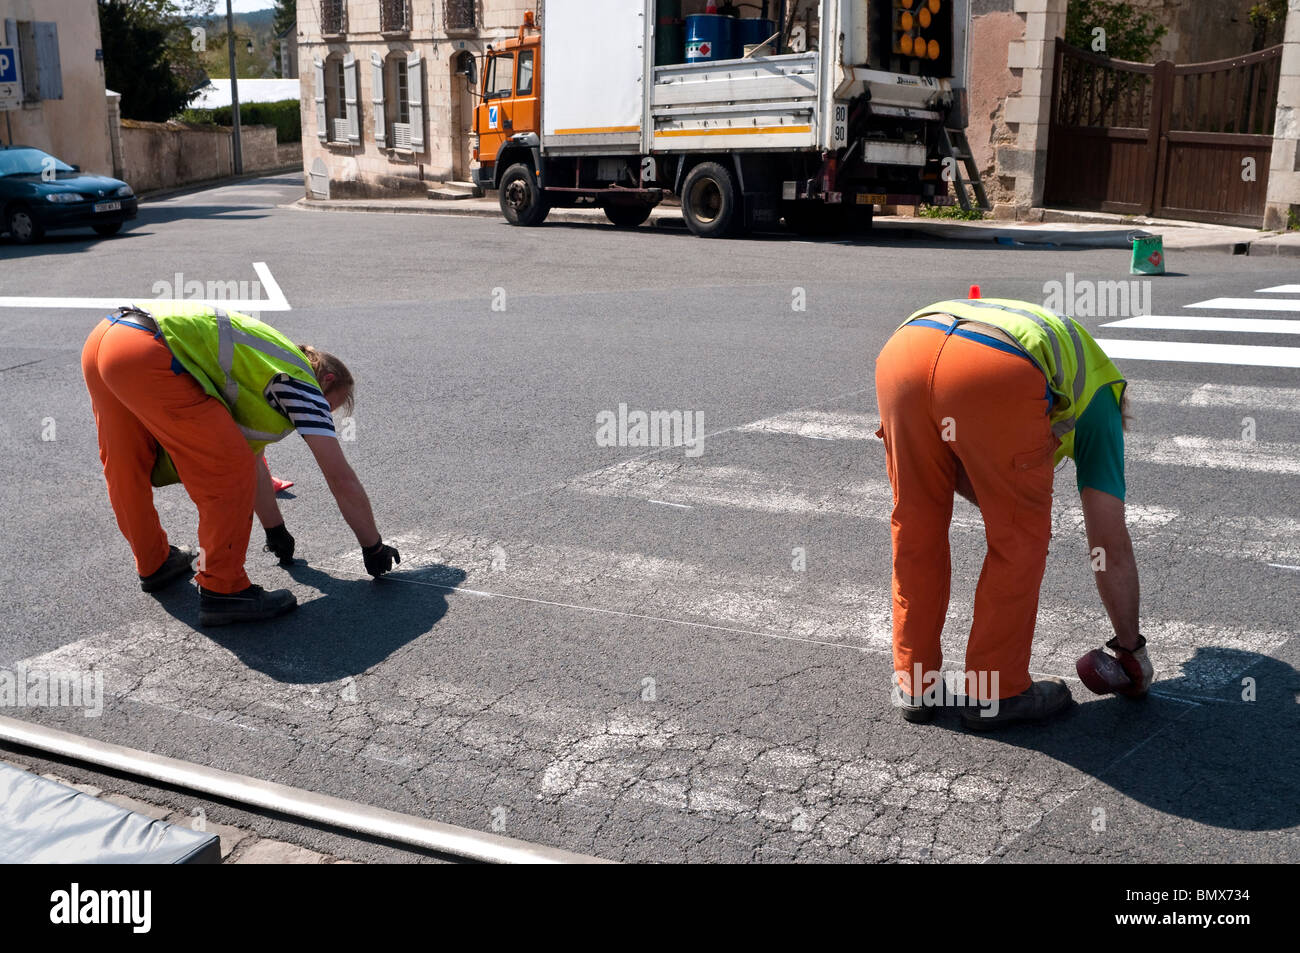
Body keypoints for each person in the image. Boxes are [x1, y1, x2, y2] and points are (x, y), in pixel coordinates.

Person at [874, 292, 1153, 730]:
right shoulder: (1100, 408)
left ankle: (915, 683)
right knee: (1018, 539)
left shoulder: (1065, 356)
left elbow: (964, 469)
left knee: (916, 524)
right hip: (996, 367)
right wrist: (1130, 647)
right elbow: (1109, 544)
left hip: (907, 348)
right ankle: (996, 690)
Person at [81, 303, 401, 625]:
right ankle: (224, 590)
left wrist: (275, 529)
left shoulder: (263, 367)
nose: (323, 416)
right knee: (227, 471)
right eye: (330, 406)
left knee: (125, 467)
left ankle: (153, 562)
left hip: (107, 341)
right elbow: (340, 478)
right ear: (327, 380)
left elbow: (255, 460)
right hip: (149, 352)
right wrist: (372, 545)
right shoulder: (302, 384)